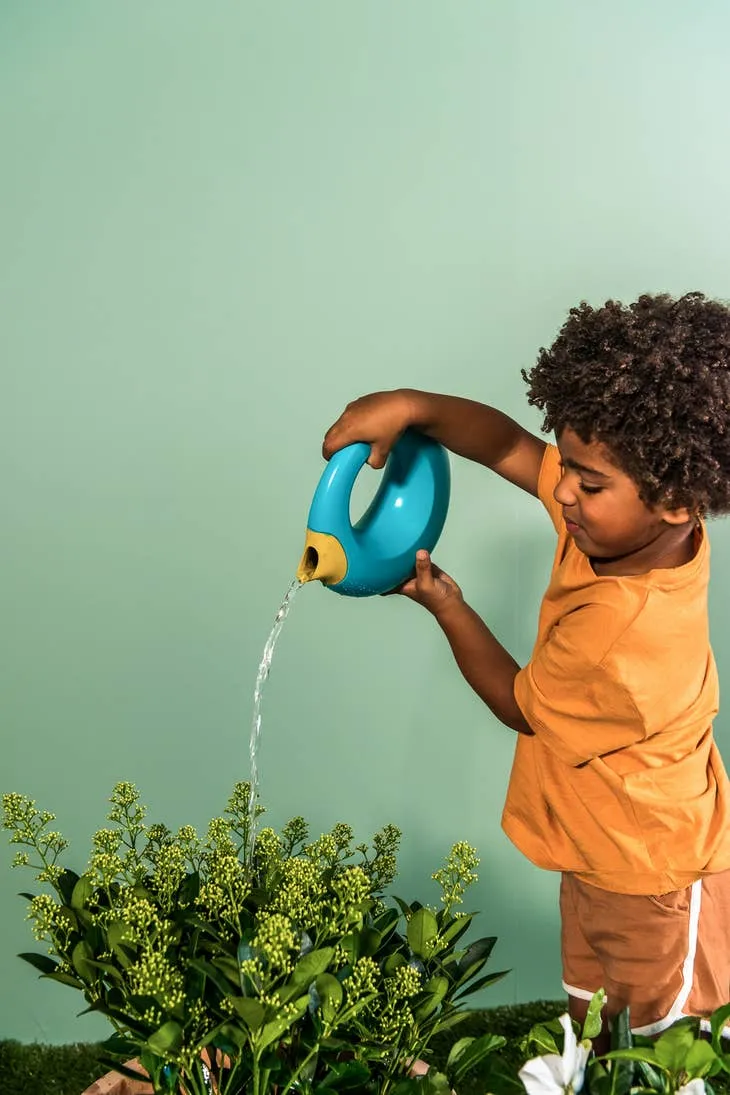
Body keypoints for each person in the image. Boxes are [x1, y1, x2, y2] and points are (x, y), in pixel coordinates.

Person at [323, 292, 730, 1044]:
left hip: (653, 869)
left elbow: (518, 703)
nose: (563, 490)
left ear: (676, 499)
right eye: (568, 465)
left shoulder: (623, 634)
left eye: (588, 481)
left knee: (665, 1041)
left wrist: (446, 602)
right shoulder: (633, 527)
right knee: (594, 1010)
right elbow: (510, 444)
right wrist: (414, 406)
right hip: (602, 841)